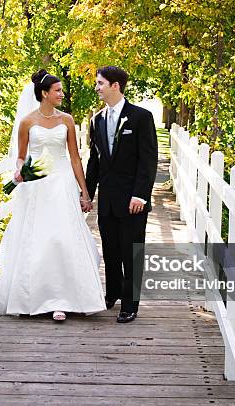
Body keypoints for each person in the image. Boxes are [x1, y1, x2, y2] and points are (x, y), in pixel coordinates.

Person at [0, 69, 106, 321]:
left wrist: (84, 193)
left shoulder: (67, 120)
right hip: (38, 185)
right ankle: (32, 297)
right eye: (57, 91)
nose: (62, 94)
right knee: (38, 237)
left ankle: (64, 300)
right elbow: (21, 156)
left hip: (62, 182)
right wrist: (22, 170)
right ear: (44, 94)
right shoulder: (27, 122)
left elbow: (75, 158)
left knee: (63, 237)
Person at [85, 66, 158, 323]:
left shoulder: (140, 117)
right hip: (108, 200)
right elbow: (95, 162)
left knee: (131, 251)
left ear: (115, 85)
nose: (97, 88)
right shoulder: (97, 120)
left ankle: (130, 304)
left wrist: (140, 195)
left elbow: (148, 161)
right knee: (111, 249)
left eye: (100, 83)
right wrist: (87, 194)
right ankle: (112, 294)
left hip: (133, 200)